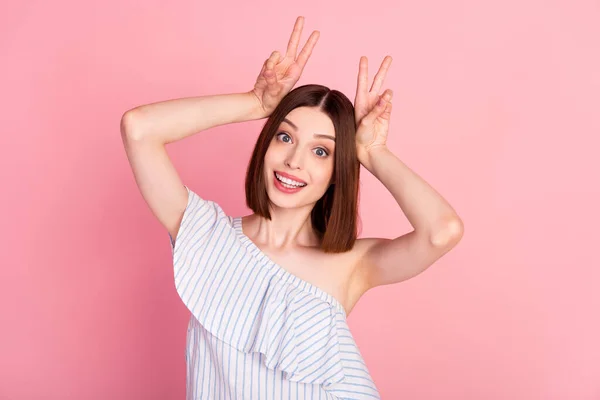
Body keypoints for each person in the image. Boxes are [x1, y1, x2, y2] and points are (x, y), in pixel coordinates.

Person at [121, 15, 463, 400]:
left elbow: (442, 230)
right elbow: (139, 128)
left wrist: (371, 152)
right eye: (285, 136)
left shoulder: (351, 263)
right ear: (266, 143)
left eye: (321, 150)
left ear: (337, 172)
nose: (294, 161)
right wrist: (253, 103)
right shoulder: (206, 234)